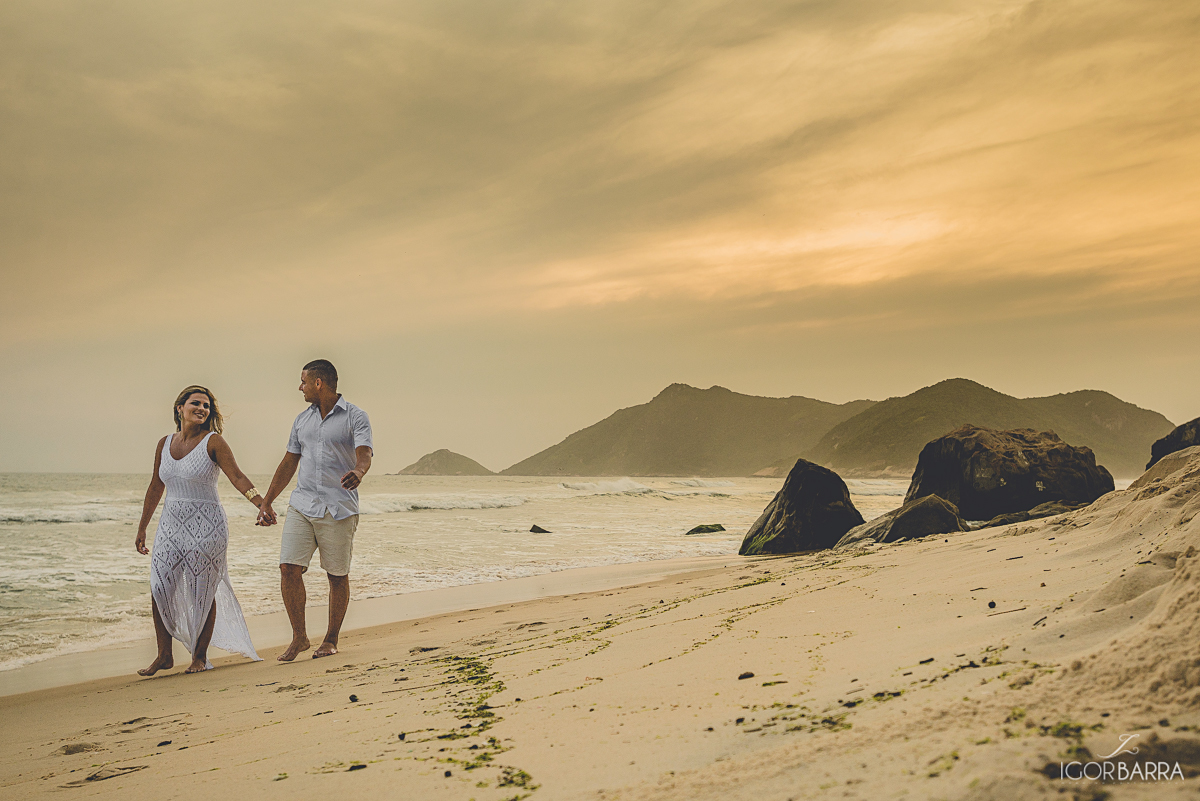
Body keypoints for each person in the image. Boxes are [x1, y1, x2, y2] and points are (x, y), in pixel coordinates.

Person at [135, 386, 263, 675]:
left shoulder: (213, 442)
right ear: (179, 407)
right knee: (159, 586)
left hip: (207, 526)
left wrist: (260, 503)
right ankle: (164, 655)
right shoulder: (164, 444)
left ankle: (199, 657)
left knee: (202, 589)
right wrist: (142, 527)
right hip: (170, 526)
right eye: (196, 403)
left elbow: (237, 476)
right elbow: (155, 486)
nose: (202, 409)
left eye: (206, 406)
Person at [256, 359, 373, 660]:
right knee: (288, 567)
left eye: (304, 381)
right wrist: (267, 501)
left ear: (318, 383)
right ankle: (300, 638)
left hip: (338, 507)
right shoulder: (301, 421)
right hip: (302, 504)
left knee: (336, 575)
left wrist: (359, 471)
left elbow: (364, 453)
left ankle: (331, 639)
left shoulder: (355, 416)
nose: (300, 387)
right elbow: (289, 462)